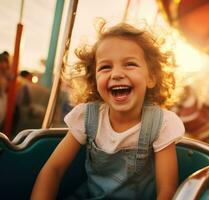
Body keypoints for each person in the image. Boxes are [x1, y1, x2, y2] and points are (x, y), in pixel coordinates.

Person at [31, 21, 185, 200]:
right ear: (94, 80)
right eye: (105, 67)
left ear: (151, 77)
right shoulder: (87, 117)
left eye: (129, 64)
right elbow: (53, 169)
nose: (116, 74)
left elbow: (167, 189)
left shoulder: (161, 124)